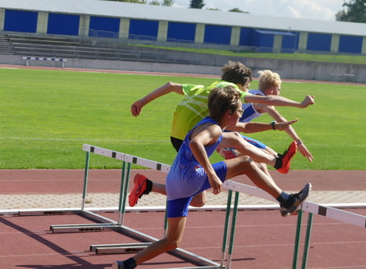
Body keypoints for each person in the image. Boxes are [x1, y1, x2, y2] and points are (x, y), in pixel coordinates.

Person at [111, 85, 311, 269]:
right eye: (240, 111)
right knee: (245, 163)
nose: (242, 114)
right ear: (229, 113)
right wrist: (211, 173)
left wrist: (274, 126)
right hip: (190, 178)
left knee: (172, 241)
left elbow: (244, 129)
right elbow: (196, 143)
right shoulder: (214, 129)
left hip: (175, 183)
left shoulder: (212, 126)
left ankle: (126, 266)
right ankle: (286, 201)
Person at [128, 61, 315, 207]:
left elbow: (170, 85)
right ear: (240, 84)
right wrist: (300, 105)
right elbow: (268, 99)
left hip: (178, 135)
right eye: (246, 87)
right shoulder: (230, 91)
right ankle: (279, 166)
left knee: (199, 199)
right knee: (236, 141)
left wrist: (141, 102)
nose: (246, 91)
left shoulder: (205, 88)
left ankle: (148, 186)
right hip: (192, 137)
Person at [217, 69, 315, 173]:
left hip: (231, 133)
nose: (279, 93)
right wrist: (299, 142)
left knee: (270, 158)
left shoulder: (251, 93)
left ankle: (275, 181)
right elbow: (280, 119)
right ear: (272, 89)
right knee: (262, 160)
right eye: (278, 89)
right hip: (223, 138)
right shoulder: (261, 102)